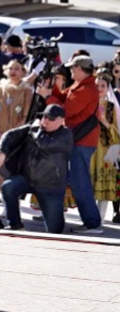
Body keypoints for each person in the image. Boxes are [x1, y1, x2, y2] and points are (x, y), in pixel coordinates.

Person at [0, 104, 73, 233]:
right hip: (27, 179)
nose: (45, 121)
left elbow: (44, 144)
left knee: (55, 230)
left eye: (51, 119)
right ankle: (15, 224)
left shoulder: (66, 135)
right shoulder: (35, 128)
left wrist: (35, 128)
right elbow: (10, 135)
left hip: (50, 186)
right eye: (44, 117)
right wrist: (1, 154)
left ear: (61, 120)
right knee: (8, 186)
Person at [61, 55, 107, 233]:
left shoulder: (86, 88)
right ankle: (91, 221)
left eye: (73, 68)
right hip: (81, 139)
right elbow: (64, 98)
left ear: (80, 69)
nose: (71, 71)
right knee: (79, 181)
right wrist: (52, 94)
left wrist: (50, 98)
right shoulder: (83, 85)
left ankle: (93, 223)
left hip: (82, 141)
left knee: (80, 183)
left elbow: (67, 110)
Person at [0, 59, 34, 196]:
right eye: (10, 68)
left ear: (23, 72)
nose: (13, 71)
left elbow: (26, 115)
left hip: (16, 135)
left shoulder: (26, 90)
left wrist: (15, 133)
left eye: (17, 69)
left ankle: (11, 195)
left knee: (13, 164)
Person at [91, 74, 120, 221]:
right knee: (89, 183)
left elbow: (115, 132)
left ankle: (100, 217)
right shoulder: (88, 103)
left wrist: (104, 121)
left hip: (104, 148)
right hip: (89, 147)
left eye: (103, 86)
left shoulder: (110, 107)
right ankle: (90, 216)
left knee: (103, 181)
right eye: (97, 86)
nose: (100, 89)